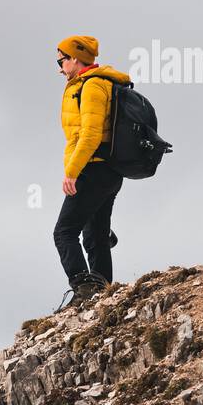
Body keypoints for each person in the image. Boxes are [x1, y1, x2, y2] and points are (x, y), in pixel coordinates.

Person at [53, 35, 132, 310]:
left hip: (93, 168)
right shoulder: (95, 84)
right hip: (108, 172)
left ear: (75, 58)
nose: (60, 67)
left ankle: (84, 288)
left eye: (61, 60)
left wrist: (72, 172)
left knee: (64, 232)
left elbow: (89, 135)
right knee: (96, 235)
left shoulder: (92, 87)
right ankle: (103, 293)